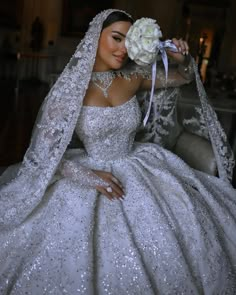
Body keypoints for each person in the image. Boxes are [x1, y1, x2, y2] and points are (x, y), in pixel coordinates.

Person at [0, 9, 236, 294]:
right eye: (116, 38)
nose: (123, 48)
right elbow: (42, 155)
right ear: (95, 37)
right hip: (88, 169)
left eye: (129, 40)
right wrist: (88, 176)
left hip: (138, 164)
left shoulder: (134, 76)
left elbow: (184, 77)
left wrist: (183, 58)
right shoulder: (70, 90)